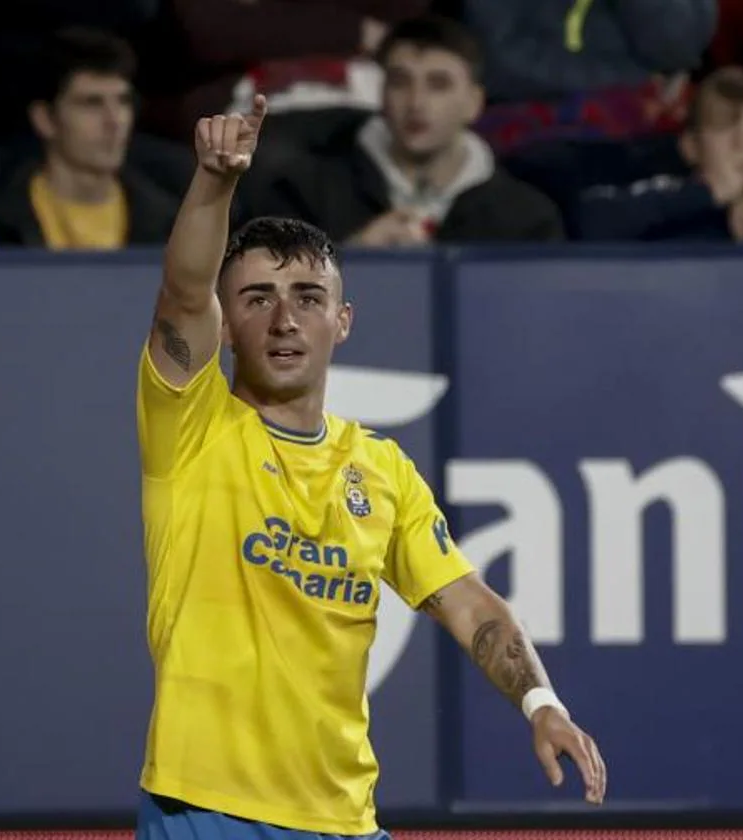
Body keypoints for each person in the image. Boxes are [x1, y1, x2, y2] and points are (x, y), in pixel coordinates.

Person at [134, 94, 607, 840]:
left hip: (345, 820)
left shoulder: (382, 469)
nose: (285, 320)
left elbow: (470, 605)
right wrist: (216, 182)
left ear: (341, 321)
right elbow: (185, 289)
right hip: (209, 812)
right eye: (257, 299)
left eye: (308, 298)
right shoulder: (189, 429)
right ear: (225, 327)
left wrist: (542, 705)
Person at [246, 15, 563, 246]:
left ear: (475, 102)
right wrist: (355, 257)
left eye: (438, 85)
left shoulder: (525, 219)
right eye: (400, 82)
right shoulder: (308, 191)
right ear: (381, 93)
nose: (416, 103)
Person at [0, 29, 177, 250]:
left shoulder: (169, 224)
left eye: (123, 101)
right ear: (45, 119)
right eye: (92, 103)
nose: (115, 121)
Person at [575, 66, 743, 242]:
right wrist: (702, 193)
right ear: (691, 146)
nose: (741, 142)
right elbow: (589, 222)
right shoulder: (663, 201)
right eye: (723, 126)